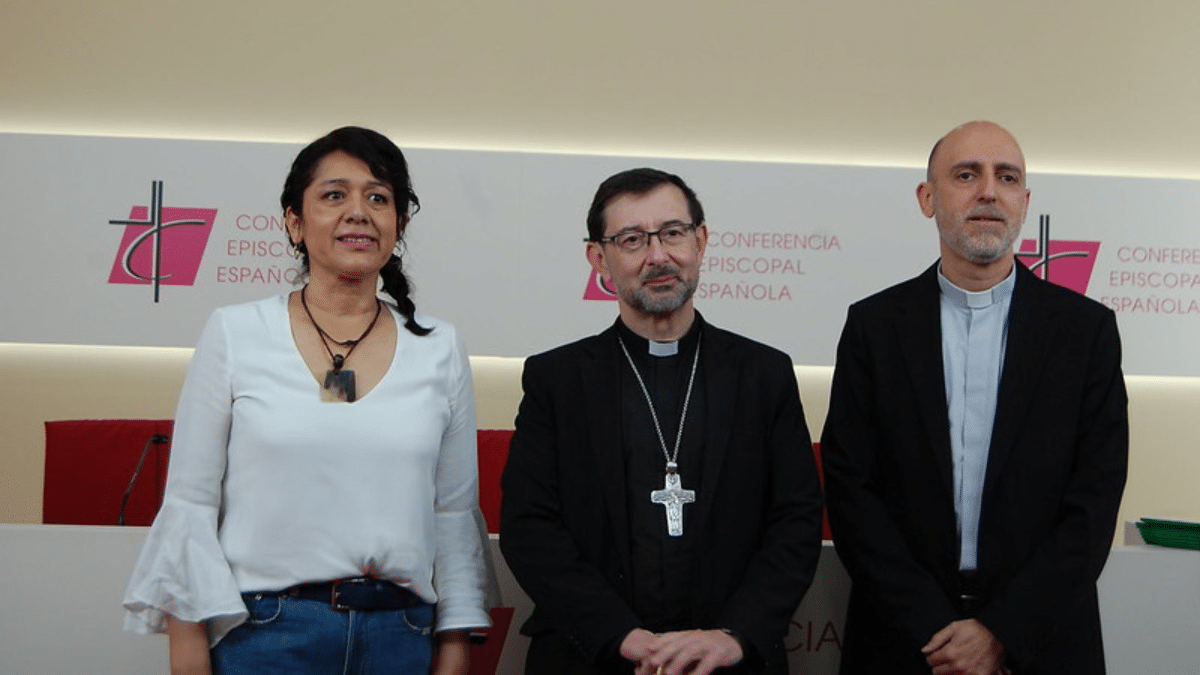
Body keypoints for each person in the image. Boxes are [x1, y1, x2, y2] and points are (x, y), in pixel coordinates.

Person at [123, 126, 494, 675]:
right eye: (333, 195)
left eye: (378, 197)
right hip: (267, 636)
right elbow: (190, 507)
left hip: (401, 637)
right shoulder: (236, 332)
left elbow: (454, 515)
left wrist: (455, 649)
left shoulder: (439, 347)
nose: (358, 212)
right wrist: (188, 652)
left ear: (400, 223)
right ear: (294, 222)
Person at [821, 121, 1128, 675]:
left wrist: (1001, 633)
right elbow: (851, 492)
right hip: (904, 643)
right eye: (967, 174)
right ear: (928, 198)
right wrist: (936, 631)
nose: (989, 191)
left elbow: (1094, 501)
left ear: (1024, 201)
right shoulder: (874, 327)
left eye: (1006, 177)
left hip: (1042, 643)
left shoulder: (1086, 333)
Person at [500, 168, 823, 675]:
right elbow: (529, 525)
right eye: (632, 240)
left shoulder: (763, 374)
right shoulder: (556, 380)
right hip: (590, 656)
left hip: (728, 662)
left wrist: (734, 635)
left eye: (672, 233)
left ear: (701, 241)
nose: (658, 256)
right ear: (598, 258)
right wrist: (619, 635)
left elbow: (796, 520)